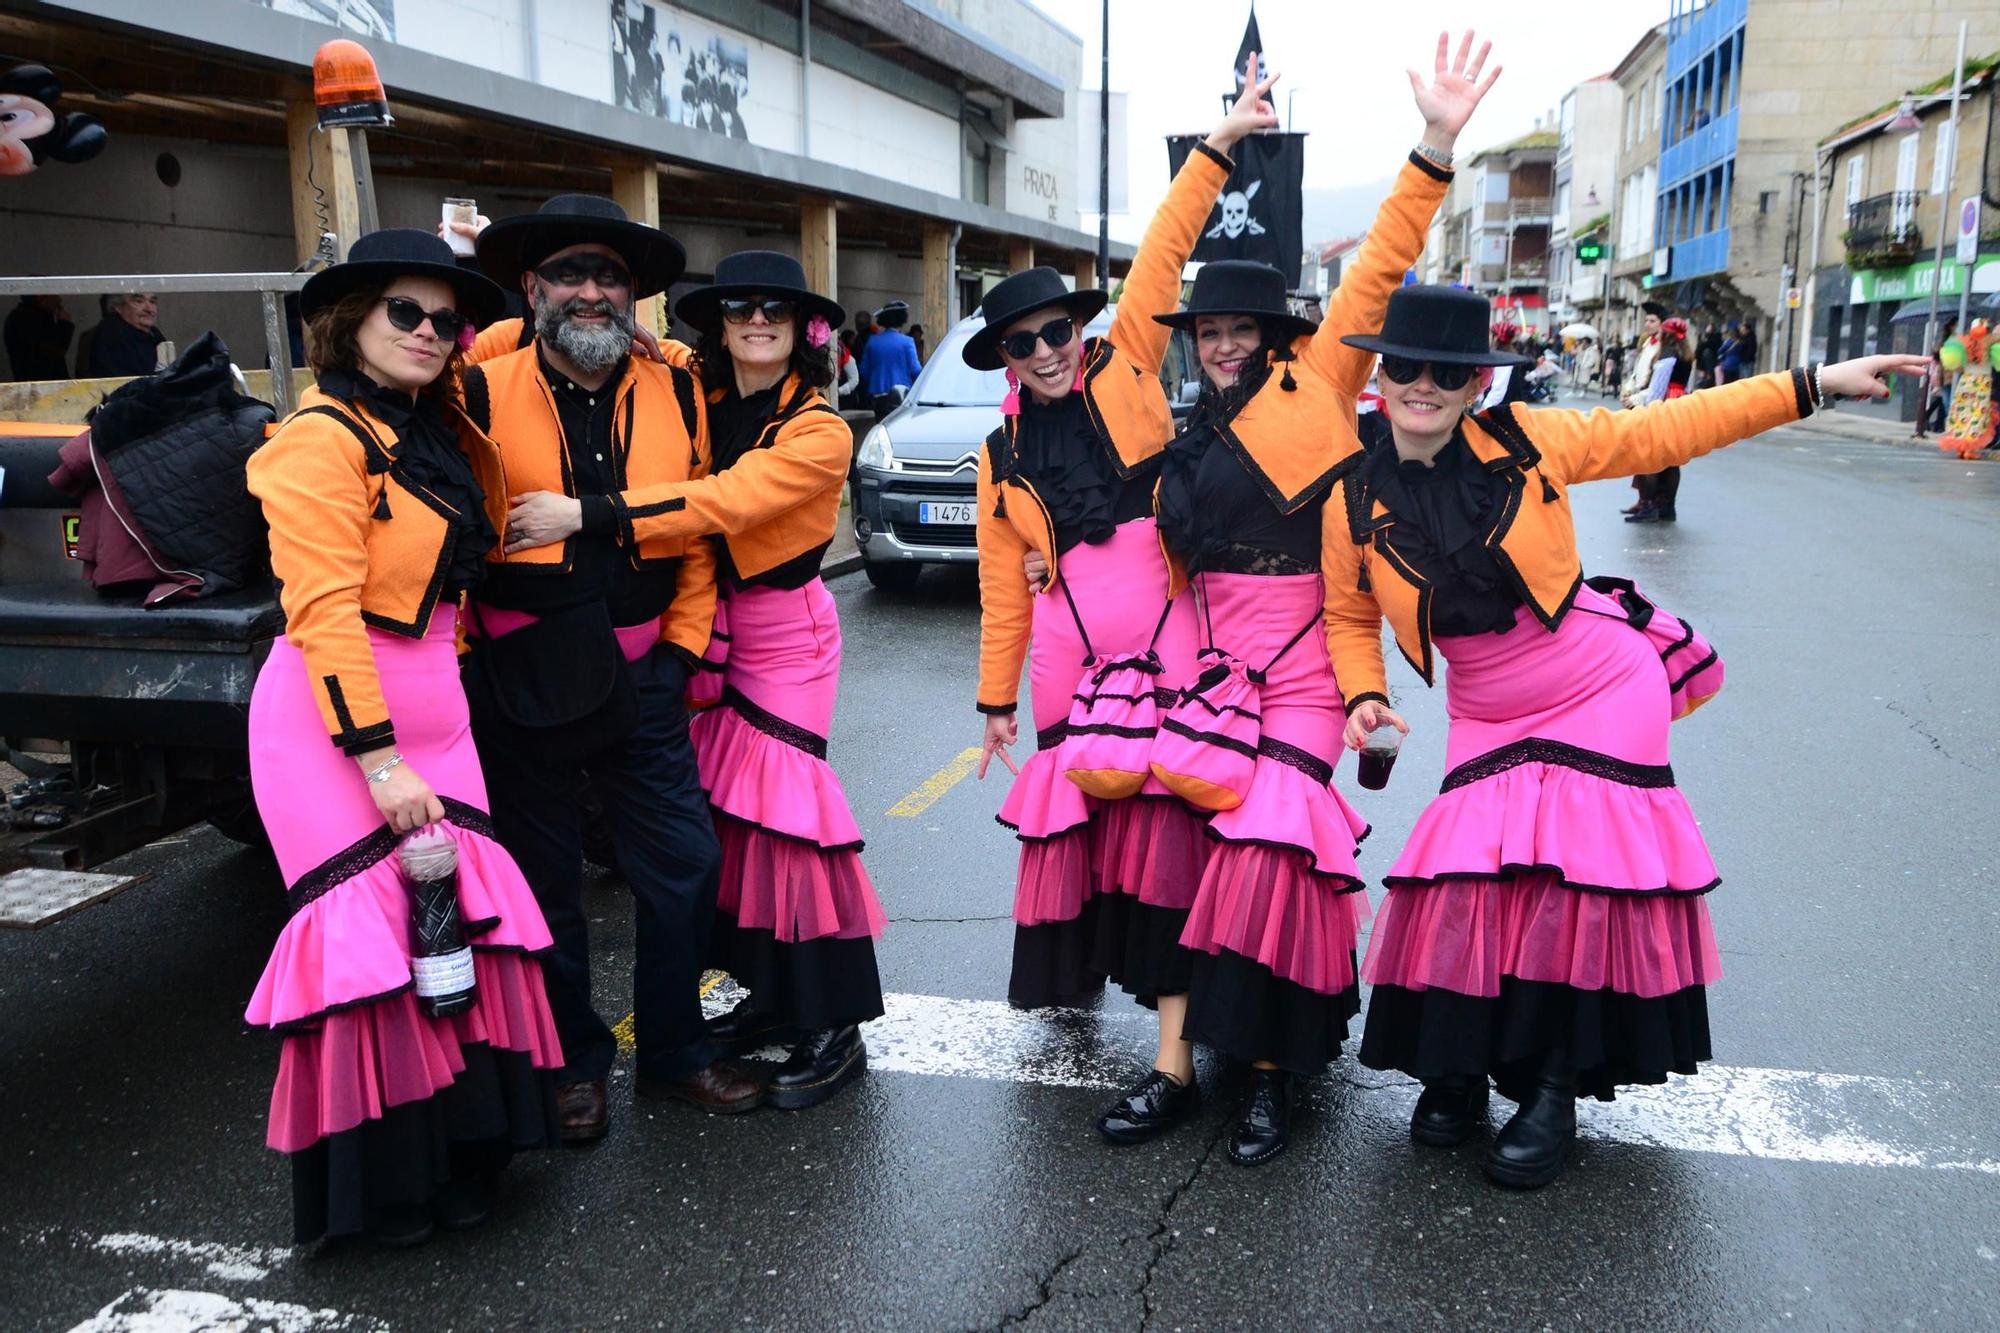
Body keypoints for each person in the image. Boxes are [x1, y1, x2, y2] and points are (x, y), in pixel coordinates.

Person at [1327, 282, 1924, 1190]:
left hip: (1599, 680)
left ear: (1474, 385)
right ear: (1380, 374)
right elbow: (1345, 611)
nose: (1423, 386)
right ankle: (1456, 1069)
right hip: (1488, 706)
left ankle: (1552, 1089)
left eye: (1446, 371)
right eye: (1406, 366)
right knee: (1463, 880)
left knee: (1578, 882)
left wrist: (1813, 381)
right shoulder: (1353, 493)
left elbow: (1666, 433)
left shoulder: (1531, 441)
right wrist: (1364, 693)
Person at [1146, 31, 1494, 1167]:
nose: (1224, 342)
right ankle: (1172, 1066)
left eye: (1241, 327)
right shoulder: (1178, 426)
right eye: (1208, 329)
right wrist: (1214, 148)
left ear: (1275, 335)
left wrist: (1434, 144)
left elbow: (1385, 259)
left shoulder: (1320, 381)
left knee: (1272, 858)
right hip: (1203, 670)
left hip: (1300, 665)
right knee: (1180, 848)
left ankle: (1268, 1076)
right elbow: (1152, 270)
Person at [969, 55, 1286, 1160]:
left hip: (1172, 647)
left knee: (1177, 839)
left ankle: (1193, 1053)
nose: (1049, 352)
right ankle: (1158, 1026)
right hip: (1068, 664)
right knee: (1106, 839)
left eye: (1058, 331)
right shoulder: (997, 450)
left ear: (1080, 332)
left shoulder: (1128, 372)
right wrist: (995, 703)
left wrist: (1222, 141)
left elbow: (1160, 252)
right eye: (1025, 344)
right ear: (1004, 361)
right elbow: (996, 587)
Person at [504, 250, 887, 1108]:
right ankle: (771, 992)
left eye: (776, 312)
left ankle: (837, 1021)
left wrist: (587, 515)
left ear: (804, 332)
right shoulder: (695, 388)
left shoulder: (820, 428)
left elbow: (722, 503)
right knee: (730, 831)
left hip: (787, 638)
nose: (757, 321)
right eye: (741, 308)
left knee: (793, 825)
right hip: (713, 631)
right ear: (717, 325)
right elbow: (569, 336)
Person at [241, 229, 563, 1247]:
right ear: (351, 321)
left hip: (440, 706)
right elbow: (324, 614)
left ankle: (465, 1155)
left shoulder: (436, 428)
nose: (428, 333)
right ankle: (385, 1192)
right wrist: (377, 759)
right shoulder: (315, 440)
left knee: (458, 928)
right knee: (368, 949)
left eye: (444, 319)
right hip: (334, 724)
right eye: (403, 313)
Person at [461, 194, 748, 1142]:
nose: (592, 291)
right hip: (520, 675)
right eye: (572, 274)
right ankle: (573, 1063)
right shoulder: (475, 389)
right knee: (545, 886)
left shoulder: (675, 387)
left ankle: (674, 1049)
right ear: (534, 288)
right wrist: (471, 661)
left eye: (612, 277)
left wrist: (681, 649)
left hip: (643, 676)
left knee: (684, 867)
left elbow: (702, 527)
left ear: (636, 297)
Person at [1628, 316, 1694, 523]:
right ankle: (1667, 507)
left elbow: (1657, 387)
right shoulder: (1687, 354)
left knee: (1652, 456)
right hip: (1680, 403)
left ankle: (1648, 506)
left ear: (1665, 333)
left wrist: (1647, 407)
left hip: (1665, 404)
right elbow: (1688, 385)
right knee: (1673, 460)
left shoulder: (1667, 354)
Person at [859, 300, 922, 420]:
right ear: (902, 319)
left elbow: (864, 371)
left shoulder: (872, 341)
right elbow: (916, 370)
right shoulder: (907, 342)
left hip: (878, 395)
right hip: (902, 395)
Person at [85, 292, 164, 377]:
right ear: (117, 307)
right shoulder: (112, 334)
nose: (149, 309)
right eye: (139, 301)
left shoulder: (153, 334)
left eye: (152, 302)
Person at [4, 294, 73, 381]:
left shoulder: (23, 318)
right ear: (41, 297)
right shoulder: (28, 320)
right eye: (55, 296)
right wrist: (64, 326)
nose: (59, 300)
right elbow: (52, 352)